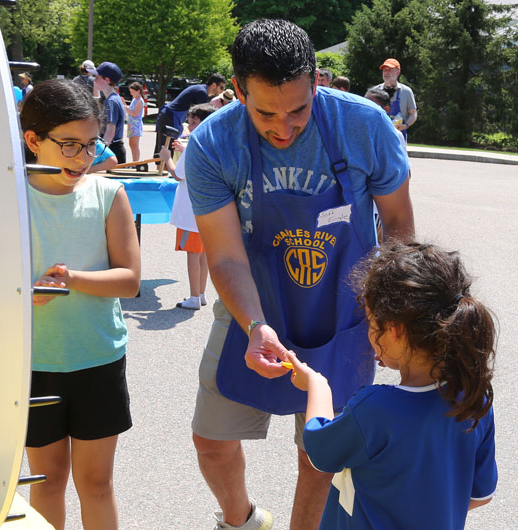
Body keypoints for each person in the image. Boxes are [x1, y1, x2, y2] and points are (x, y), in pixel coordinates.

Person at [185, 19, 414, 529]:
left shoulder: (364, 125)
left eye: (299, 110)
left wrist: (394, 313)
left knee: (319, 455)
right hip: (254, 305)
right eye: (266, 112)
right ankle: (242, 519)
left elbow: (398, 223)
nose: (284, 128)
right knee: (212, 441)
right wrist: (254, 326)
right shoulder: (211, 145)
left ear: (316, 81)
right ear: (239, 88)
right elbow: (223, 257)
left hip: (345, 312)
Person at [287, 241, 498, 529]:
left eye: (372, 323)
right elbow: (480, 495)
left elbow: (319, 452)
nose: (369, 334)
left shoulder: (376, 410)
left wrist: (317, 385)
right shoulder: (475, 401)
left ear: (395, 330)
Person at [19, 79, 141, 530]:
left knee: (96, 484)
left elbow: (129, 281)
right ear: (33, 140)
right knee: (46, 481)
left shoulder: (108, 194)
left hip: (98, 359)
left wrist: (71, 280)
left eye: (90, 145)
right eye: (68, 145)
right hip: (34, 361)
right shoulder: (7, 198)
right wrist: (22, 294)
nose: (82, 158)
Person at [159, 103, 215, 311]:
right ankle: (200, 293)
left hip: (190, 210)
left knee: (193, 253)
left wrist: (167, 159)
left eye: (193, 123)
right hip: (206, 209)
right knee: (203, 253)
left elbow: (179, 175)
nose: (189, 127)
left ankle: (193, 297)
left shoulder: (194, 146)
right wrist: (183, 149)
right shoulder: (211, 143)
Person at [153, 73, 226, 161]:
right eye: (221, 87)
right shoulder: (202, 92)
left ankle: (163, 171)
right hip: (170, 118)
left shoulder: (200, 89)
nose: (222, 91)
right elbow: (204, 118)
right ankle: (163, 173)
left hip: (169, 117)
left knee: (164, 152)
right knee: (166, 154)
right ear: (214, 85)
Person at [89, 61, 127, 164]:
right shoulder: (111, 99)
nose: (94, 80)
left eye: (97, 77)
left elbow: (110, 130)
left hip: (113, 150)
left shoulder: (111, 101)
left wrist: (100, 154)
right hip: (112, 149)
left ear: (107, 80)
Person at [373, 58, 417, 143]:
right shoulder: (375, 91)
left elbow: (413, 113)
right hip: (379, 137)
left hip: (398, 138)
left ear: (398, 72)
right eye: (385, 70)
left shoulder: (406, 91)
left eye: (390, 70)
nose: (386, 72)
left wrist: (406, 125)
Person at [125, 81, 144, 162]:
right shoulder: (135, 99)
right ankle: (134, 161)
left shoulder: (139, 101)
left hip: (136, 125)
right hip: (131, 125)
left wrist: (125, 108)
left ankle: (135, 162)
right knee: (131, 144)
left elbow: (135, 113)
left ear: (138, 91)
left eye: (133, 92)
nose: (131, 93)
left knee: (135, 145)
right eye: (131, 92)